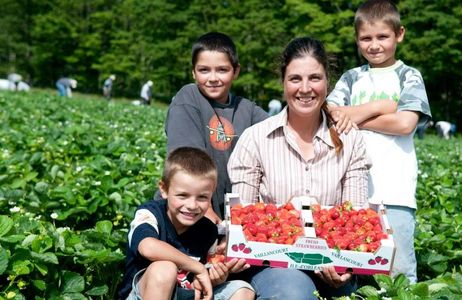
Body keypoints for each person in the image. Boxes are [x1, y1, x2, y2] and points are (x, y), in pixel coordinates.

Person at [228, 37, 371, 299]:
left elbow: (357, 216)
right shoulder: (256, 139)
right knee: (293, 293)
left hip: (333, 262)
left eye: (314, 78)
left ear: (327, 81)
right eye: (295, 79)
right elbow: (243, 219)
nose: (305, 89)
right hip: (276, 263)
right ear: (283, 82)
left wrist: (348, 266)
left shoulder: (351, 140)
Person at [326, 0, 432, 284]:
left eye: (382, 36)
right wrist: (383, 105)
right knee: (353, 265)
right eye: (366, 38)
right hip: (350, 187)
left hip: (394, 190)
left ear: (399, 34)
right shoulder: (351, 78)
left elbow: (405, 123)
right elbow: (330, 113)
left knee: (397, 269)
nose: (374, 45)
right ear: (357, 40)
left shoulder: (409, 76)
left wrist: (356, 116)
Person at [118, 147, 254, 300]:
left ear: (212, 192)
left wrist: (214, 277)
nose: (192, 205)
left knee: (242, 290)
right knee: (164, 269)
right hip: (141, 294)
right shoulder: (150, 213)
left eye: (202, 197)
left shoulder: (208, 231)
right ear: (164, 189)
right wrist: (197, 267)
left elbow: (201, 277)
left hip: (185, 294)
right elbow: (148, 247)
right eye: (183, 195)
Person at [163, 32, 268, 224]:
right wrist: (207, 211)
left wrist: (331, 110)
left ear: (236, 71)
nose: (212, 78)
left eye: (222, 70)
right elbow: (188, 160)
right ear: (193, 72)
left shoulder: (246, 109)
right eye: (204, 70)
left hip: (224, 215)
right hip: (188, 212)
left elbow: (284, 127)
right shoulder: (189, 98)